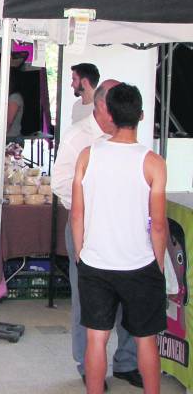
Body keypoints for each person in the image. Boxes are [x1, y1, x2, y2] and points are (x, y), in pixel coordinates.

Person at [71, 83, 167, 394]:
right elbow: (158, 225)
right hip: (139, 262)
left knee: (96, 339)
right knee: (146, 340)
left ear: (109, 114)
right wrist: (159, 265)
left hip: (96, 261)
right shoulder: (153, 162)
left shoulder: (88, 156)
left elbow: (77, 214)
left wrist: (81, 253)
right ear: (141, 115)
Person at [51, 79, 143, 389]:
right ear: (103, 105)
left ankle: (126, 362)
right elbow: (60, 182)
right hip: (87, 228)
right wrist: (91, 205)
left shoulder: (127, 136)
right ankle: (86, 366)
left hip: (124, 230)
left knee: (128, 298)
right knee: (87, 303)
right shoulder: (79, 137)